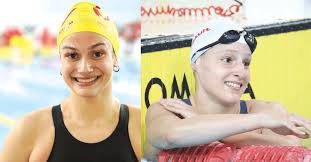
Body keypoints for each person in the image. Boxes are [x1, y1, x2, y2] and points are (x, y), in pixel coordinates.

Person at [144, 19, 311, 161]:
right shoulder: (168, 110)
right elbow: (172, 136)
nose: (240, 72)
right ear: (196, 63)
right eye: (228, 59)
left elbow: (293, 152)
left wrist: (200, 120)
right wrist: (259, 121)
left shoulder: (265, 110)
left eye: (246, 63)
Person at [0, 2, 140, 162]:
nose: (85, 68)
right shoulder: (27, 132)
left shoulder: (142, 127)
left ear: (115, 58)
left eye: (97, 53)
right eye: (72, 55)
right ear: (61, 61)